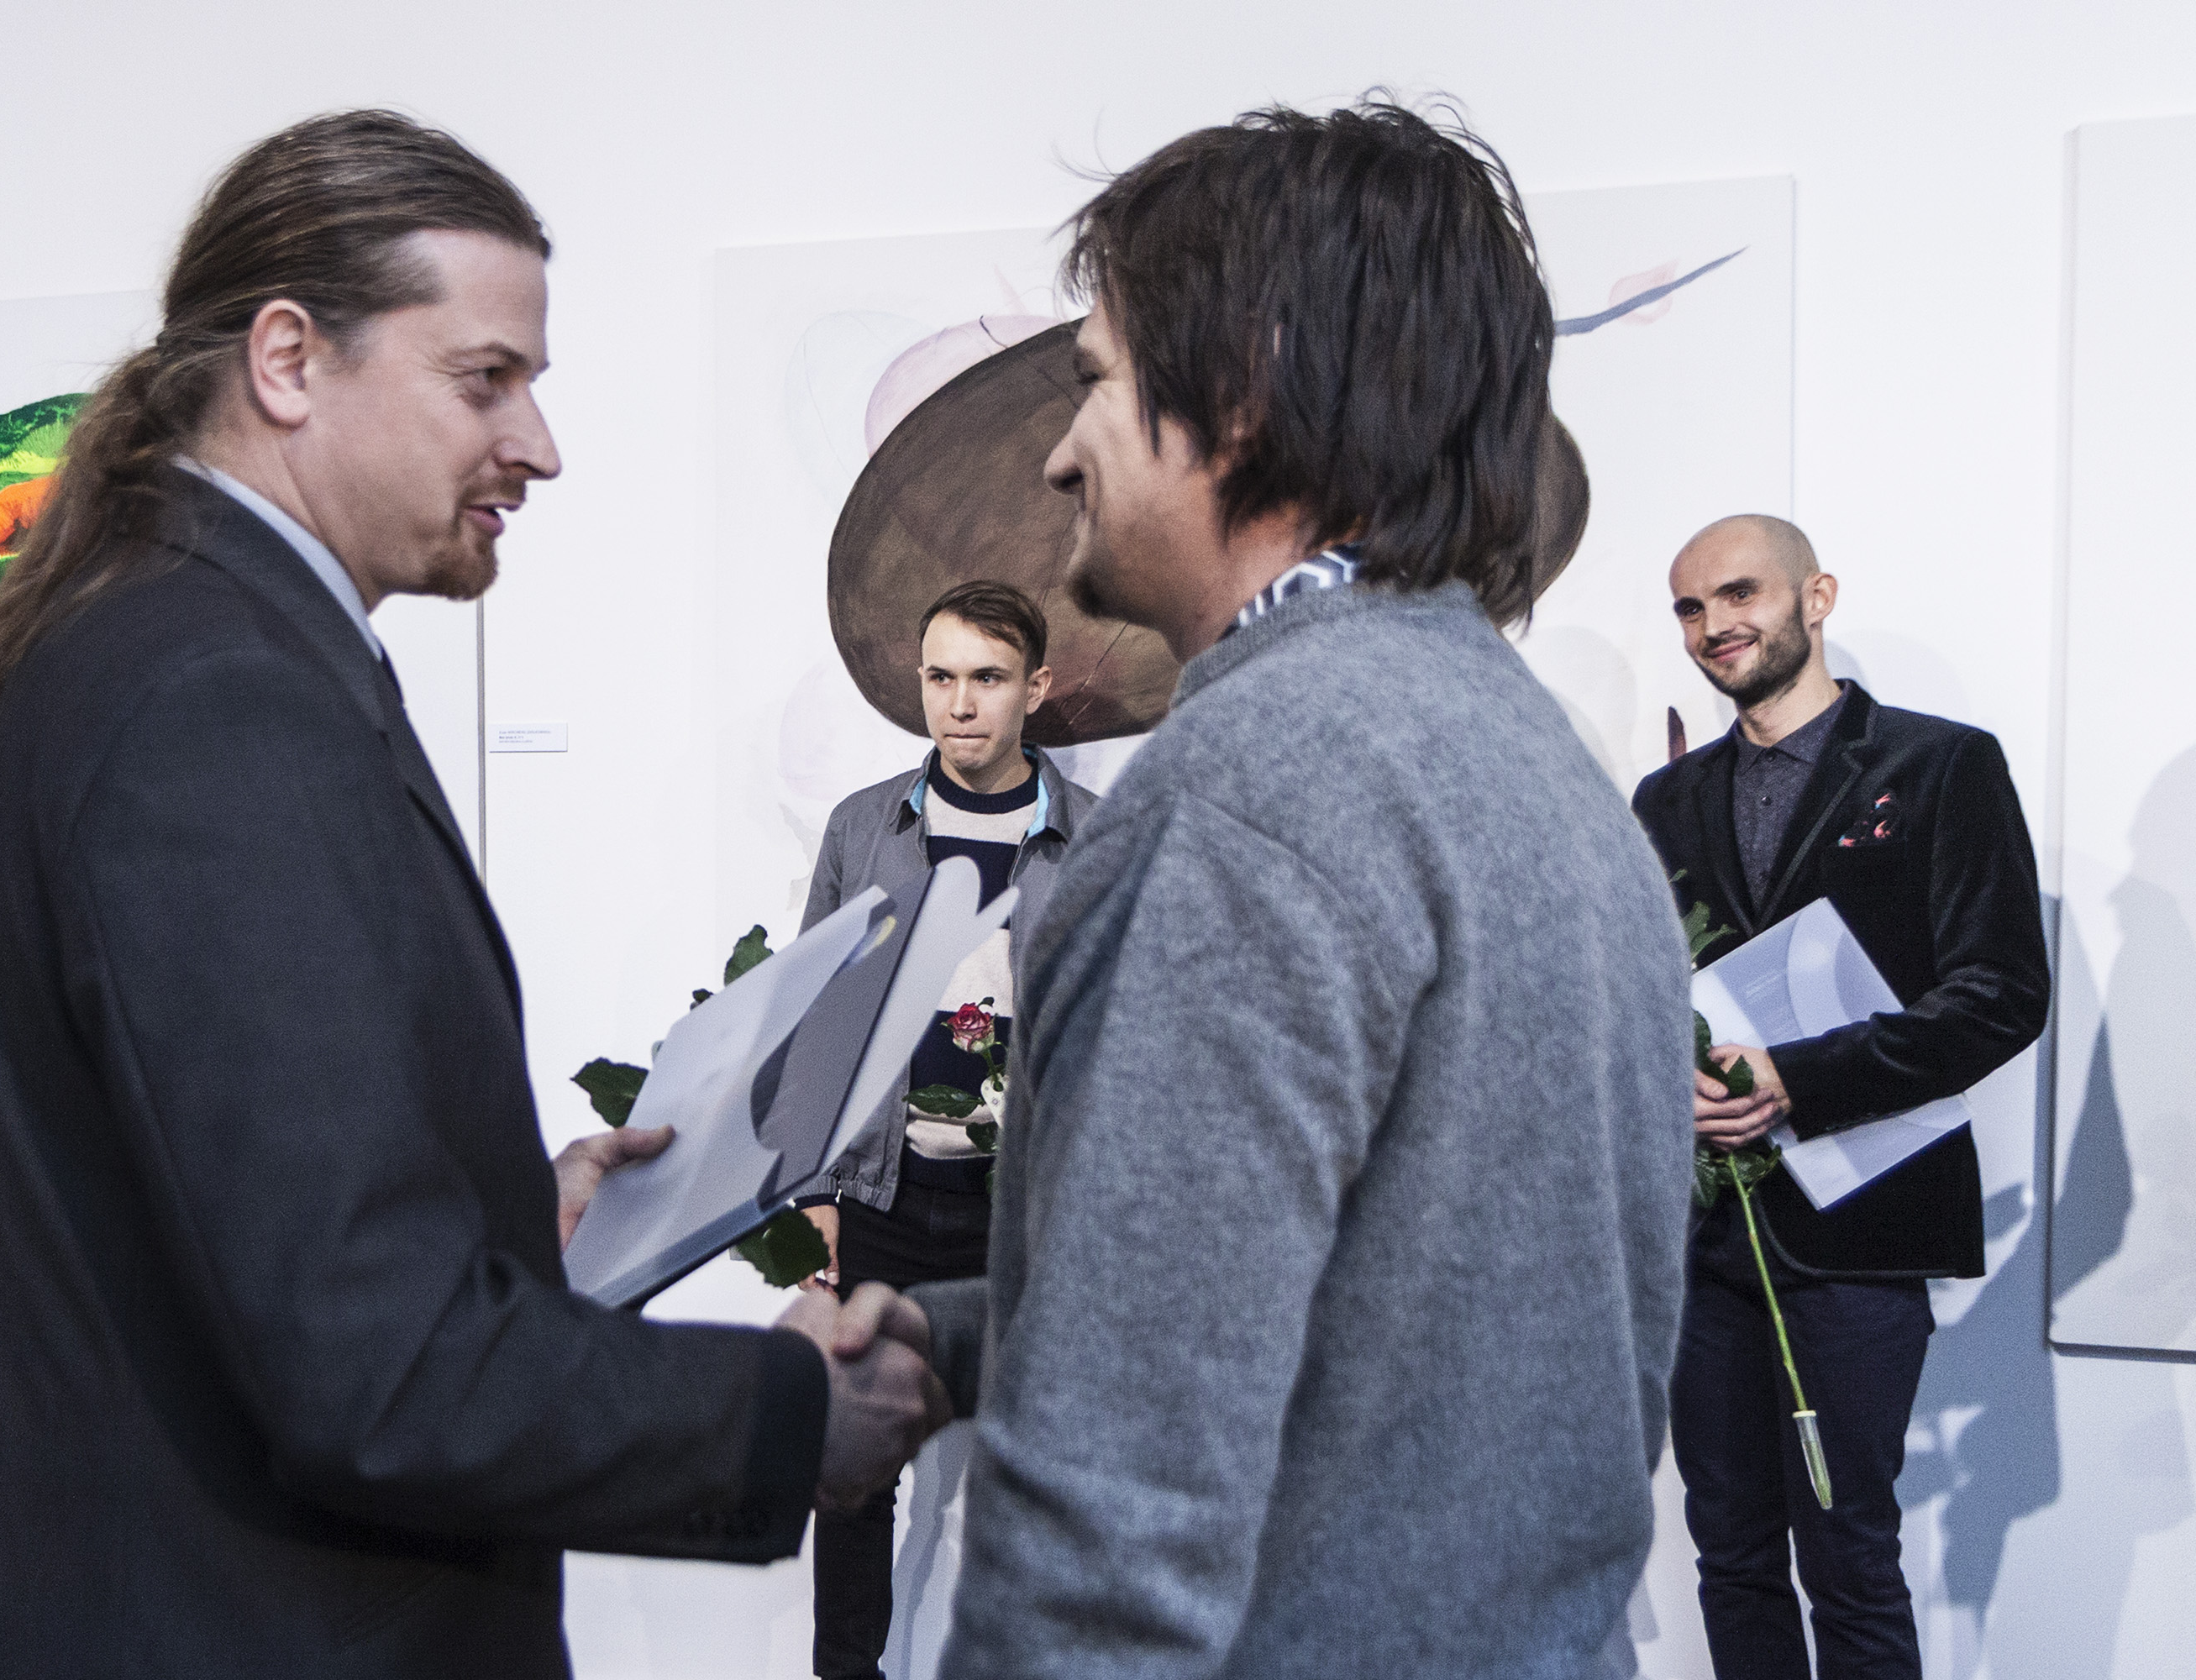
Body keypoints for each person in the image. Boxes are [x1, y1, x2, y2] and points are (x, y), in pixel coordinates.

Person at [0, 111, 945, 1680]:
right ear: (289, 360)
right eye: (485, 379)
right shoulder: (217, 701)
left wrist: (510, 1212)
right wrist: (790, 1416)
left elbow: (235, 1200)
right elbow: (366, 1367)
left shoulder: (187, 643)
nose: (539, 444)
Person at [907, 102, 1696, 1678]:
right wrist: (955, 1340)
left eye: (1099, 383)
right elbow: (1405, 1318)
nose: (1061, 452)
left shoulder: (1250, 797)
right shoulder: (1535, 758)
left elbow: (1108, 1536)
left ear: (1246, 391)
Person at [1633, 515, 2049, 1680]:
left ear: (1816, 597)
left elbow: (2003, 993)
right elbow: (1636, 991)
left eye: (1740, 593)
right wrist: (1668, 1074)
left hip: (1863, 1235)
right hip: (1706, 1238)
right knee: (1730, 1555)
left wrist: (1798, 1080)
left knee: (1850, 1555)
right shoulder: (1663, 801)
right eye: (1690, 607)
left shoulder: (1941, 766)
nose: (1714, 625)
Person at [793, 579, 1097, 1680]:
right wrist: (815, 1193)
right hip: (885, 1196)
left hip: (1026, 1211)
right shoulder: (864, 828)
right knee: (854, 1465)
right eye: (940, 678)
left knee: (1049, 1464)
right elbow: (820, 1016)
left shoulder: (1096, 836)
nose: (960, 705)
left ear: (1035, 688)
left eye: (988, 679)